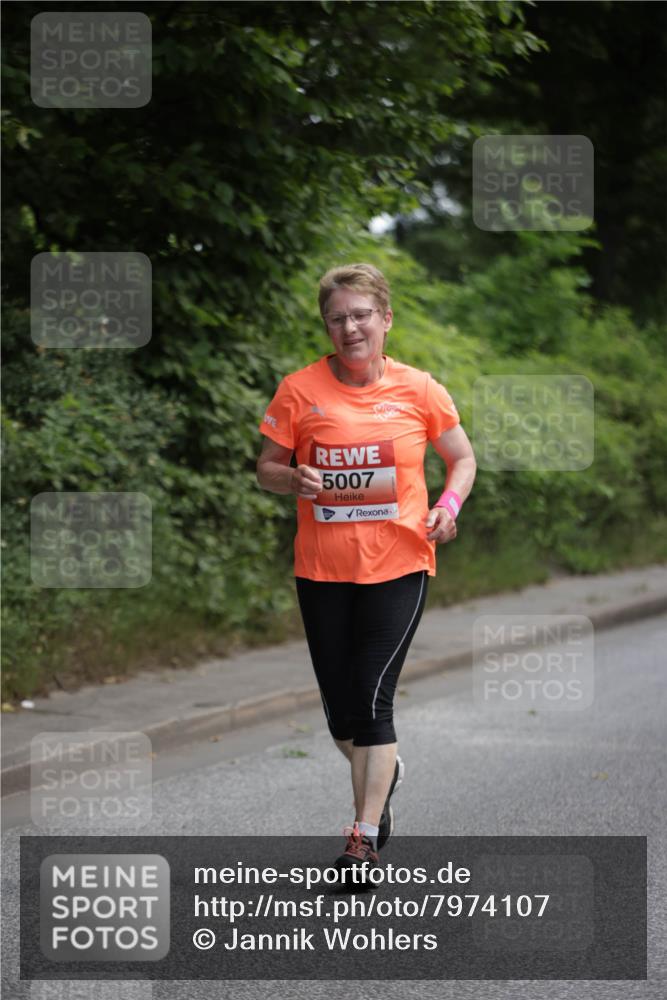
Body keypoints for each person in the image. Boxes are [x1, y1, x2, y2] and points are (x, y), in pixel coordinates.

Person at [256, 263, 476, 877]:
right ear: (326, 326)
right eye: (336, 318)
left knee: (374, 699)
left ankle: (363, 836)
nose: (349, 327)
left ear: (385, 319)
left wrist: (447, 507)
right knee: (342, 715)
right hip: (323, 571)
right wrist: (291, 476)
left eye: (360, 315)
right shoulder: (298, 390)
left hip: (401, 564)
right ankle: (387, 770)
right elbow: (265, 468)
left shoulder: (419, 389)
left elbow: (462, 458)